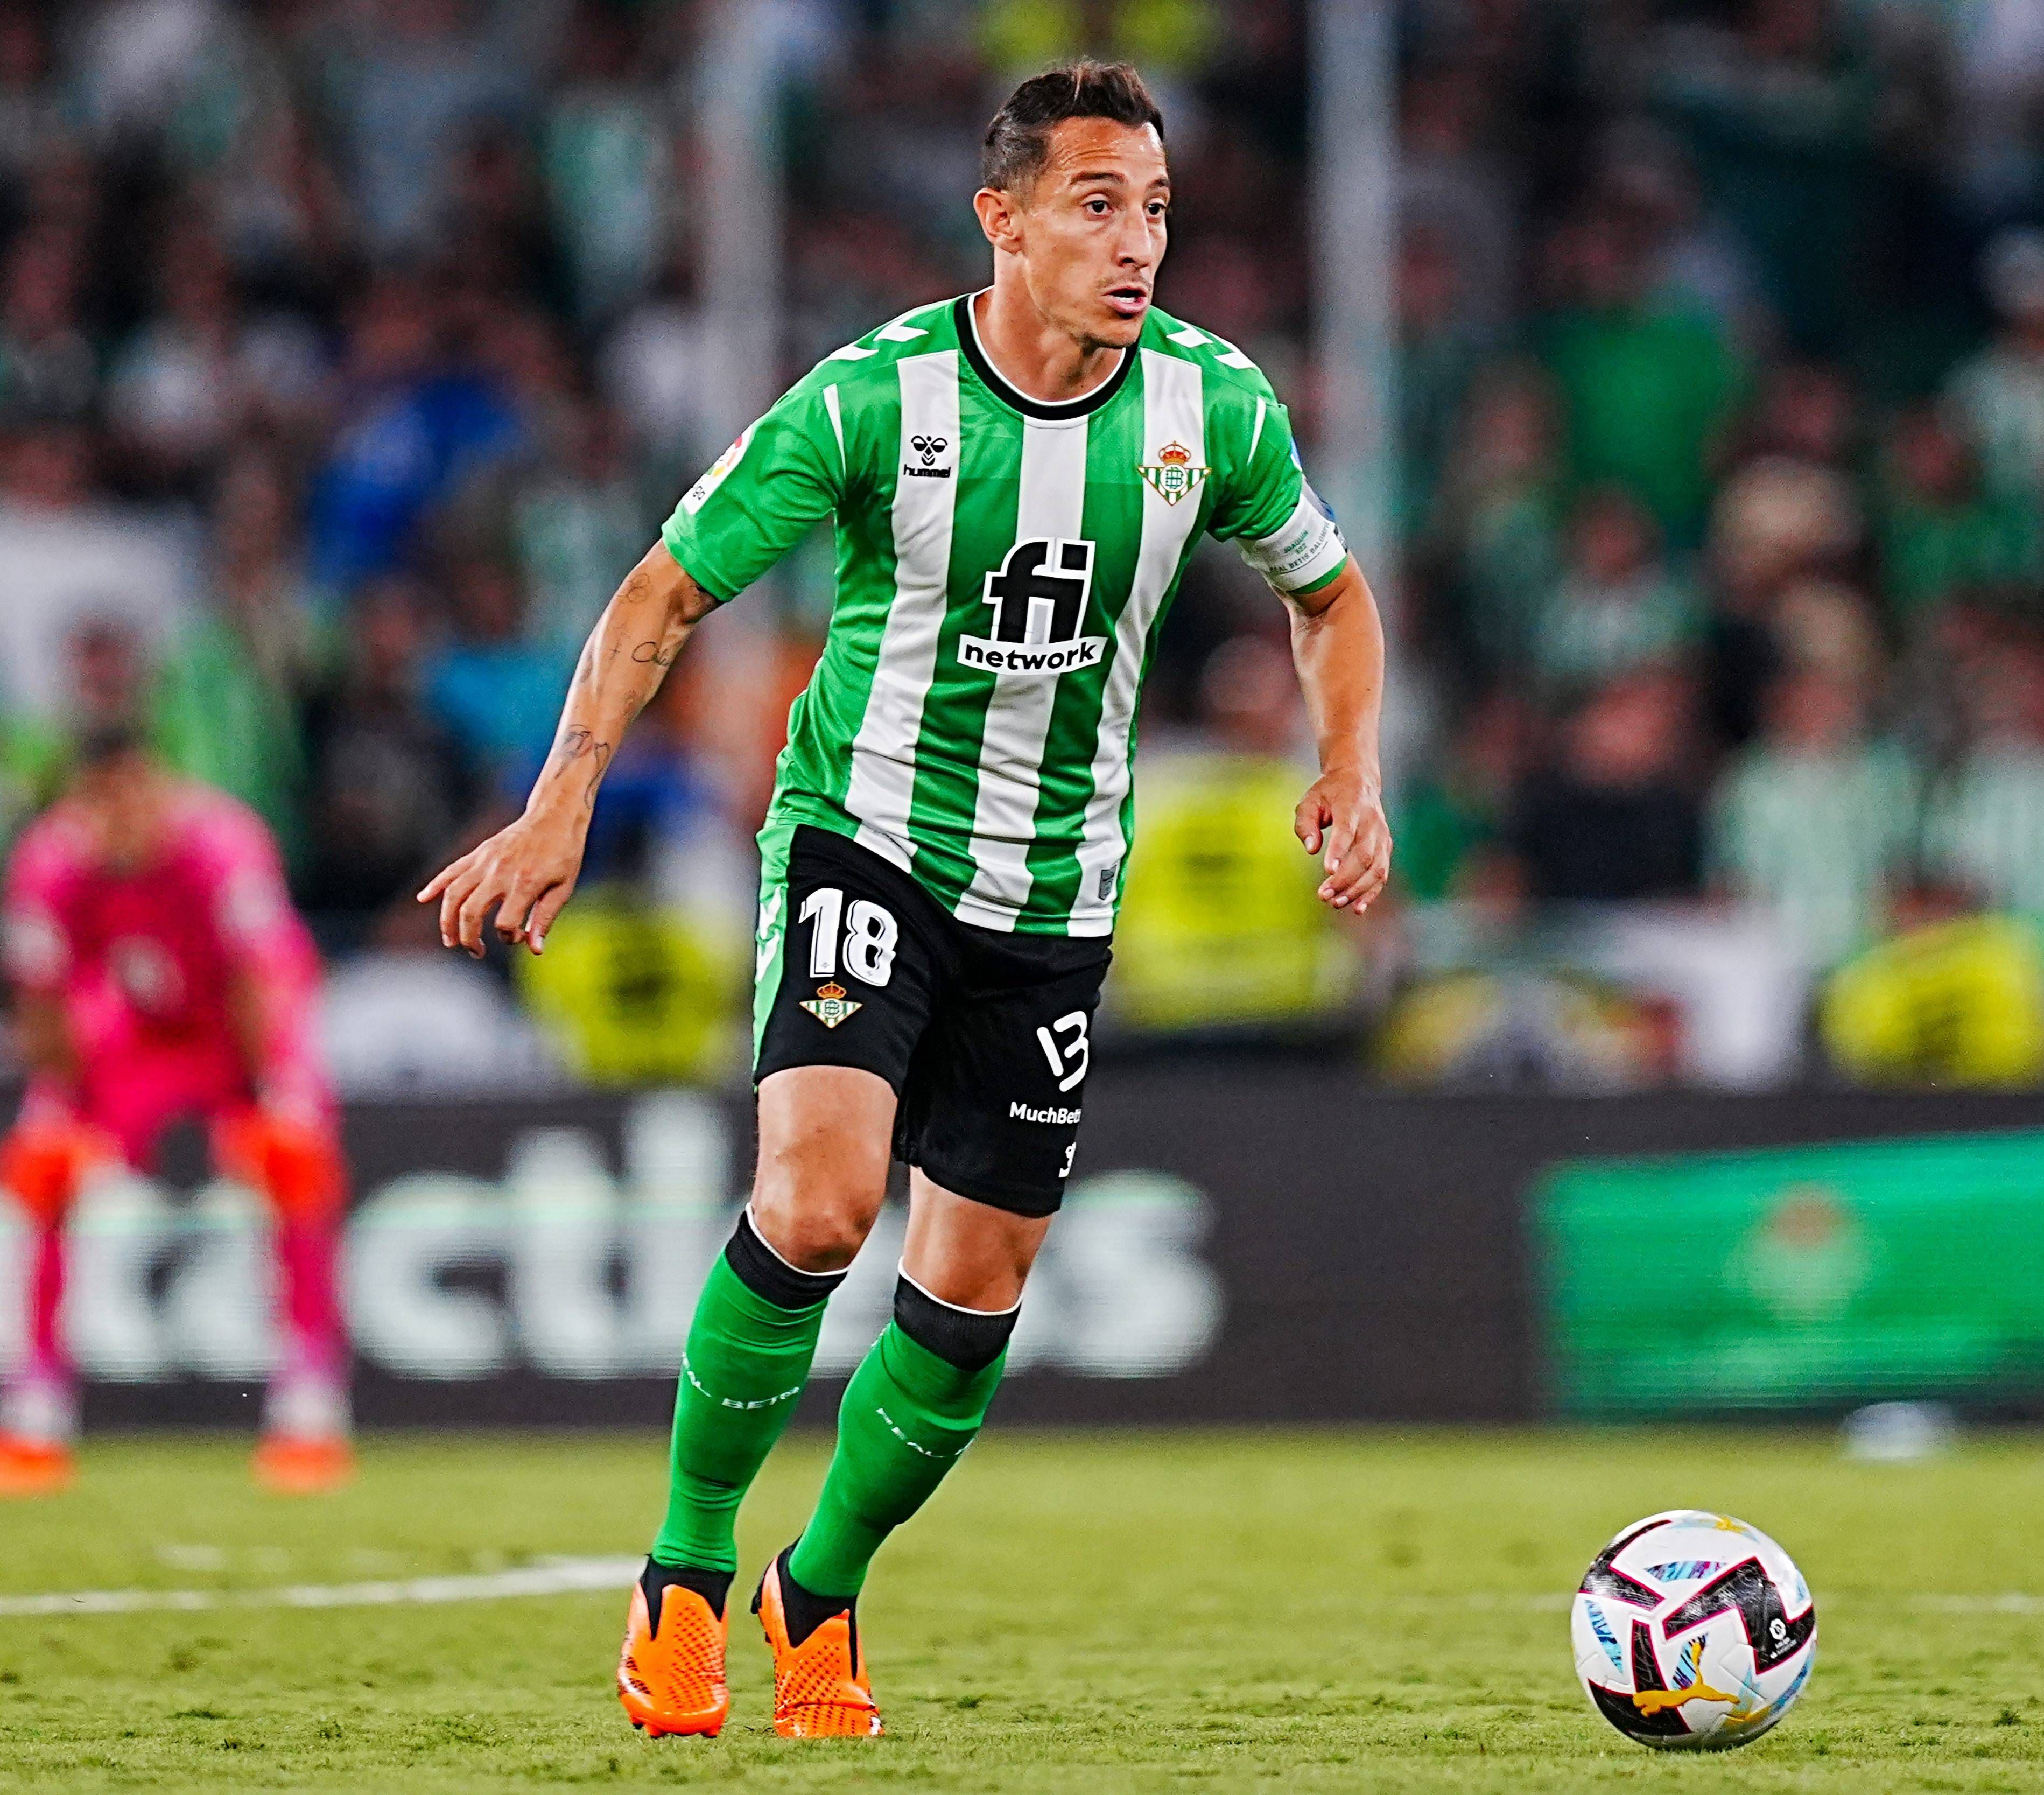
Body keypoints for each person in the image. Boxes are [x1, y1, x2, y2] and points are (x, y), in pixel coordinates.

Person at [418, 61, 1390, 1741]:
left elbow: (1331, 590)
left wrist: (1351, 765)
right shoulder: (875, 404)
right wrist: (558, 801)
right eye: (1095, 205)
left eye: (1154, 208)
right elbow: (663, 592)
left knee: (975, 1291)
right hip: (864, 839)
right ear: (1002, 222)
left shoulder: (1213, 408)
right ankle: (684, 1574)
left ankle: (824, 1587)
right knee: (815, 1202)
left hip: (1057, 893)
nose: (1134, 242)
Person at [0, 648, 352, 1496]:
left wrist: (267, 1093)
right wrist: (67, 1100)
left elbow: (259, 981)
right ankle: (34, 1406)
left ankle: (309, 1402)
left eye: (127, 796)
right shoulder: (51, 864)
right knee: (40, 1167)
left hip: (236, 1025)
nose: (115, 820)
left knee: (294, 1156)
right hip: (137, 1031)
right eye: (97, 804)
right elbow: (44, 1003)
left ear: (151, 782)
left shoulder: (222, 847)